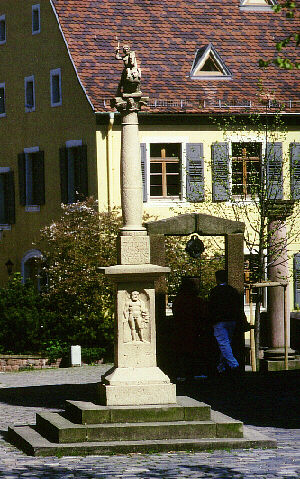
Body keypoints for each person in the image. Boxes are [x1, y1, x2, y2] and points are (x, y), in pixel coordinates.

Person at [208, 270, 244, 375]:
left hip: (219, 321)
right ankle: (221, 366)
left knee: (223, 343)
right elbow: (238, 306)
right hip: (231, 320)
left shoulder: (215, 291)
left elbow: (212, 307)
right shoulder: (232, 290)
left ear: (217, 279)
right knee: (226, 343)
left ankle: (234, 365)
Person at [172, 277, 207, 381]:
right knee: (193, 352)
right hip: (194, 329)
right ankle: (193, 372)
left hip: (181, 329)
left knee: (182, 353)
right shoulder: (197, 301)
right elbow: (202, 314)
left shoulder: (178, 300)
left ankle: (182, 372)